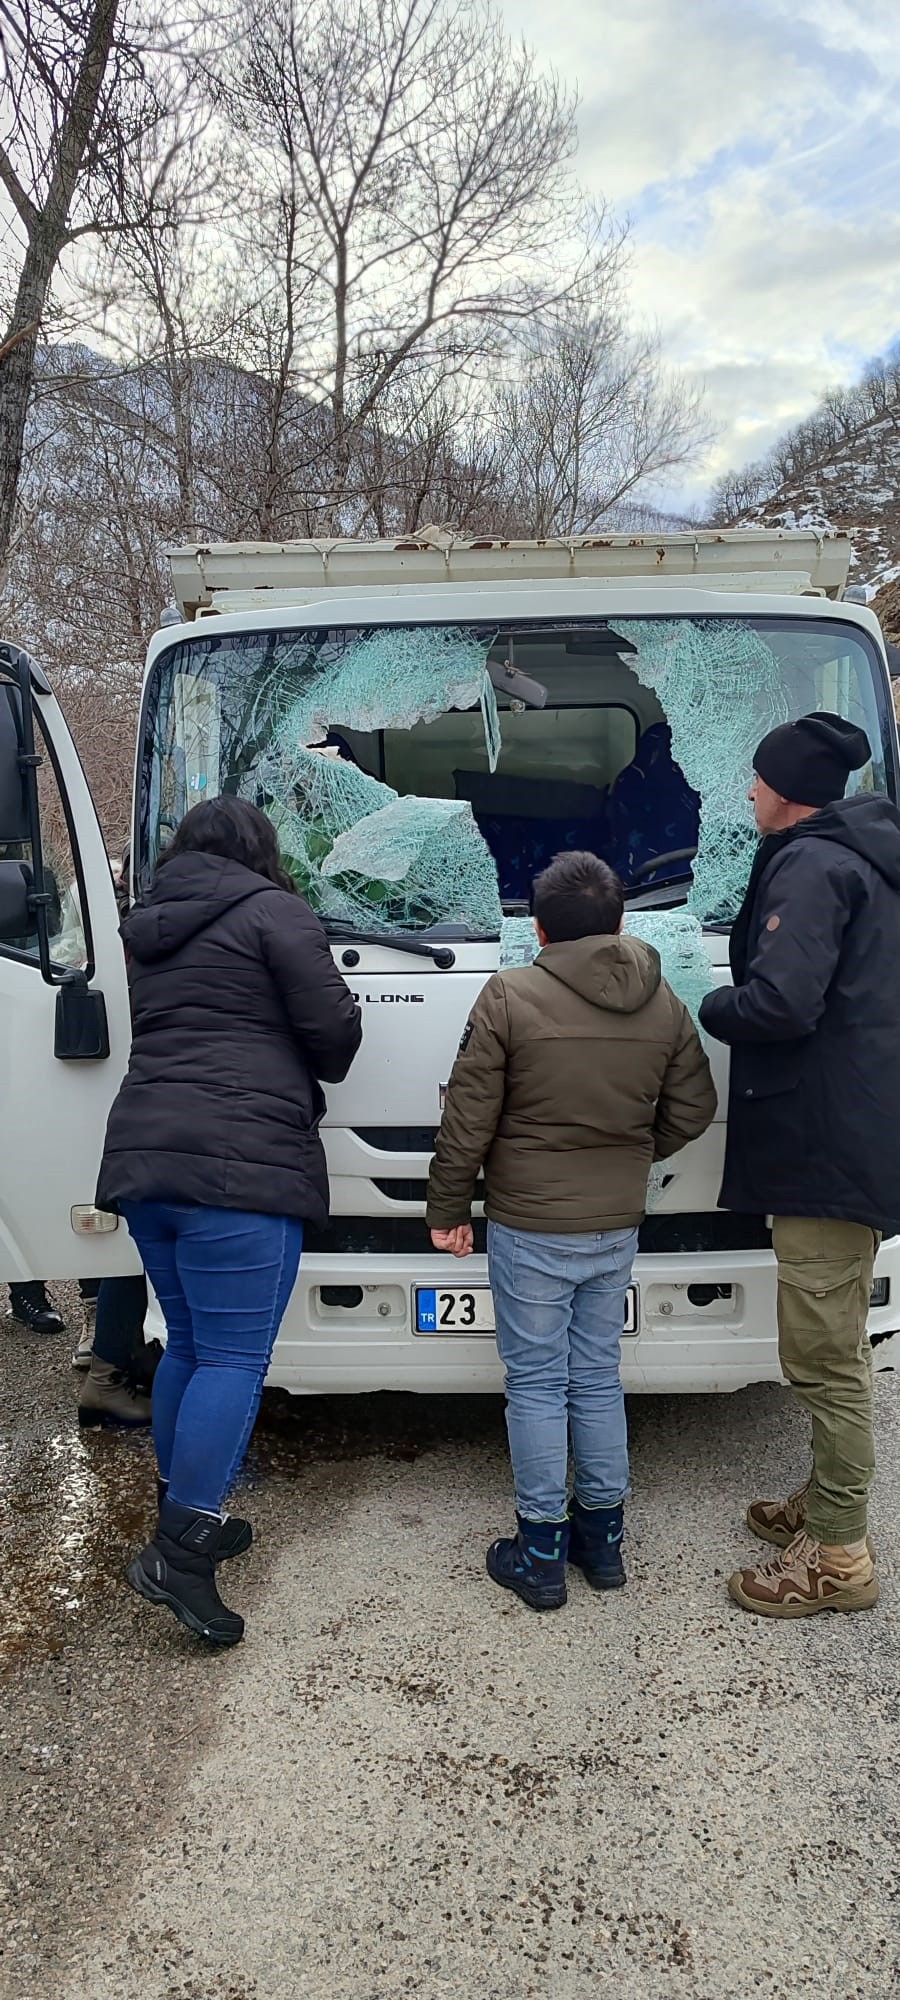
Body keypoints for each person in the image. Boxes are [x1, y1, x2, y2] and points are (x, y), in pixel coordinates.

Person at [95, 797, 362, 1647]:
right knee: (234, 1360)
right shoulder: (275, 912)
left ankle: (183, 1511)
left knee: (189, 1345)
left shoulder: (146, 924)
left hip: (146, 1158)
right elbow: (335, 1039)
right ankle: (181, 1555)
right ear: (260, 850)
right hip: (239, 1164)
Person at [426, 850, 716, 1612]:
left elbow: (468, 1121)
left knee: (536, 1384)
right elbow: (694, 1107)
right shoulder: (662, 999)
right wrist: (632, 1155)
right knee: (595, 1377)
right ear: (620, 923)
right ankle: (604, 1544)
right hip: (615, 1224)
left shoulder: (510, 994)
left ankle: (541, 1555)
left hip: (530, 1224)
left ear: (539, 929)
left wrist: (448, 1210)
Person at [699, 712, 900, 1618]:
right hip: (856, 1128)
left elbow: (781, 1004)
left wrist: (706, 1002)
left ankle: (840, 1555)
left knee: (824, 1357)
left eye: (757, 778)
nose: (748, 790)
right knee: (837, 1338)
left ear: (786, 791)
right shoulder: (864, 855)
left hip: (827, 1142)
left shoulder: (816, 865)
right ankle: (824, 1505)